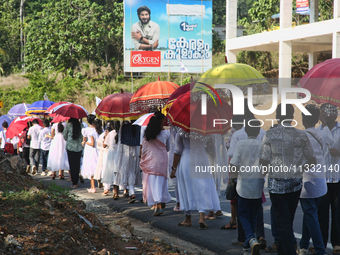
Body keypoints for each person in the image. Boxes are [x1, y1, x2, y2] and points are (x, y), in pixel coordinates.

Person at [259, 104, 316, 255]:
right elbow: (312, 160)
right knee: (287, 220)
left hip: (276, 186)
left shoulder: (269, 135)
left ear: (277, 116)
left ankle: (289, 251)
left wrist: (262, 176)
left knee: (283, 223)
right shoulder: (301, 135)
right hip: (295, 185)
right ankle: (283, 251)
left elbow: (264, 161)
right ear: (292, 117)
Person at [170, 130, 221, 230]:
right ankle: (201, 217)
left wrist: (174, 168)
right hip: (202, 158)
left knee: (186, 187)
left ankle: (187, 218)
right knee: (202, 187)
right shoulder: (205, 131)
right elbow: (212, 149)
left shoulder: (182, 131)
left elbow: (178, 151)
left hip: (186, 159)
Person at [299, 105, 331, 255]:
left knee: (311, 216)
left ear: (303, 118)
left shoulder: (300, 136)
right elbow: (331, 141)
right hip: (320, 183)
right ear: (317, 118)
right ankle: (304, 245)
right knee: (310, 214)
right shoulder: (323, 134)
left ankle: (319, 249)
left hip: (306, 184)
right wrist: (324, 122)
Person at [230, 119, 264, 255]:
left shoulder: (240, 144)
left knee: (243, 214)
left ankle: (250, 239)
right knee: (254, 214)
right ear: (258, 131)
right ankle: (246, 245)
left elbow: (234, 163)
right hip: (257, 185)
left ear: (246, 130)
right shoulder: (262, 145)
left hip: (243, 185)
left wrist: (232, 179)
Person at [316, 103, 340, 254]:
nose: (325, 114)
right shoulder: (317, 131)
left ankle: (337, 243)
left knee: (338, 213)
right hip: (322, 178)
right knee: (321, 213)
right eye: (323, 112)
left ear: (336, 114)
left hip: (337, 177)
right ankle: (321, 243)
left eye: (329, 111)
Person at [140, 111, 171, 215]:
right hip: (162, 160)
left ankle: (157, 206)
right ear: (162, 120)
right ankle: (159, 205)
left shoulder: (147, 134)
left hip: (150, 161)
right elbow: (168, 148)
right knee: (160, 183)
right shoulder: (166, 133)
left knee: (152, 184)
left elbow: (143, 149)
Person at [115, 121, 142, 202]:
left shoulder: (123, 127)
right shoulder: (138, 127)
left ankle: (131, 192)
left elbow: (120, 142)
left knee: (127, 172)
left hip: (126, 152)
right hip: (136, 151)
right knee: (133, 172)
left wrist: (119, 158)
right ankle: (132, 192)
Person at [83, 119, 102, 193]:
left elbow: (92, 144)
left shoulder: (92, 133)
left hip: (93, 152)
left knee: (92, 168)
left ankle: (93, 187)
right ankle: (100, 180)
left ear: (93, 124)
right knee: (99, 166)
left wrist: (85, 142)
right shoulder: (102, 132)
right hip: (100, 151)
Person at [63, 118, 83, 188]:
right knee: (77, 165)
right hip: (79, 147)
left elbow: (64, 136)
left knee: (72, 165)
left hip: (70, 147)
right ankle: (76, 181)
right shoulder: (81, 125)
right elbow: (83, 137)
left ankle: (74, 182)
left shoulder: (68, 126)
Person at [102, 121, 119, 199]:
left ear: (112, 126)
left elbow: (104, 145)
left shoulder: (110, 134)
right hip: (119, 153)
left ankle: (115, 193)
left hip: (112, 154)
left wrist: (105, 135)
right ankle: (126, 191)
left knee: (113, 173)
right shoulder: (121, 133)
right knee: (119, 173)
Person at [95, 122, 113, 196]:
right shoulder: (103, 135)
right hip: (105, 154)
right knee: (105, 170)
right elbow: (99, 145)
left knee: (109, 170)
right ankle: (106, 187)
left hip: (109, 154)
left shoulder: (113, 134)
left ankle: (108, 187)